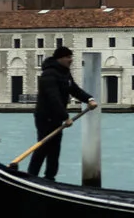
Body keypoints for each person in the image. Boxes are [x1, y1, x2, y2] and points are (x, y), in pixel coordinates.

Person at [29, 44, 90, 181]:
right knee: (43, 147)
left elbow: (74, 90)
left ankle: (50, 177)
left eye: (71, 57)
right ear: (60, 58)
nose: (71, 60)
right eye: (68, 57)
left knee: (55, 150)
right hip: (45, 117)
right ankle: (31, 176)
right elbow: (53, 97)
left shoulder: (65, 74)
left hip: (57, 118)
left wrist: (89, 99)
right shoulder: (48, 74)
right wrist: (65, 117)